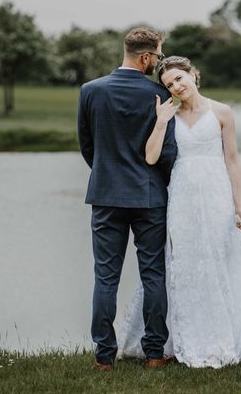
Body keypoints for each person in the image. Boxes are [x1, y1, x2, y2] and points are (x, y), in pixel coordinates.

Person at [118, 56, 241, 368]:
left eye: (179, 79)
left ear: (193, 75)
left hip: (216, 194)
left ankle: (229, 332)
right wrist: (159, 121)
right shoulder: (167, 115)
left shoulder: (222, 112)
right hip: (182, 194)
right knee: (184, 260)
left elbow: (233, 161)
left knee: (224, 258)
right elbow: (151, 157)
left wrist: (239, 204)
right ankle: (181, 336)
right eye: (169, 84)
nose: (176, 87)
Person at [77, 27, 177, 371]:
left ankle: (104, 357)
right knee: (153, 275)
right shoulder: (159, 94)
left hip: (106, 195)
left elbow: (87, 146)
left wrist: (108, 174)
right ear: (146, 57)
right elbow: (167, 152)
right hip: (150, 196)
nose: (159, 63)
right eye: (159, 56)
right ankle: (153, 353)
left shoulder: (90, 91)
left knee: (105, 277)